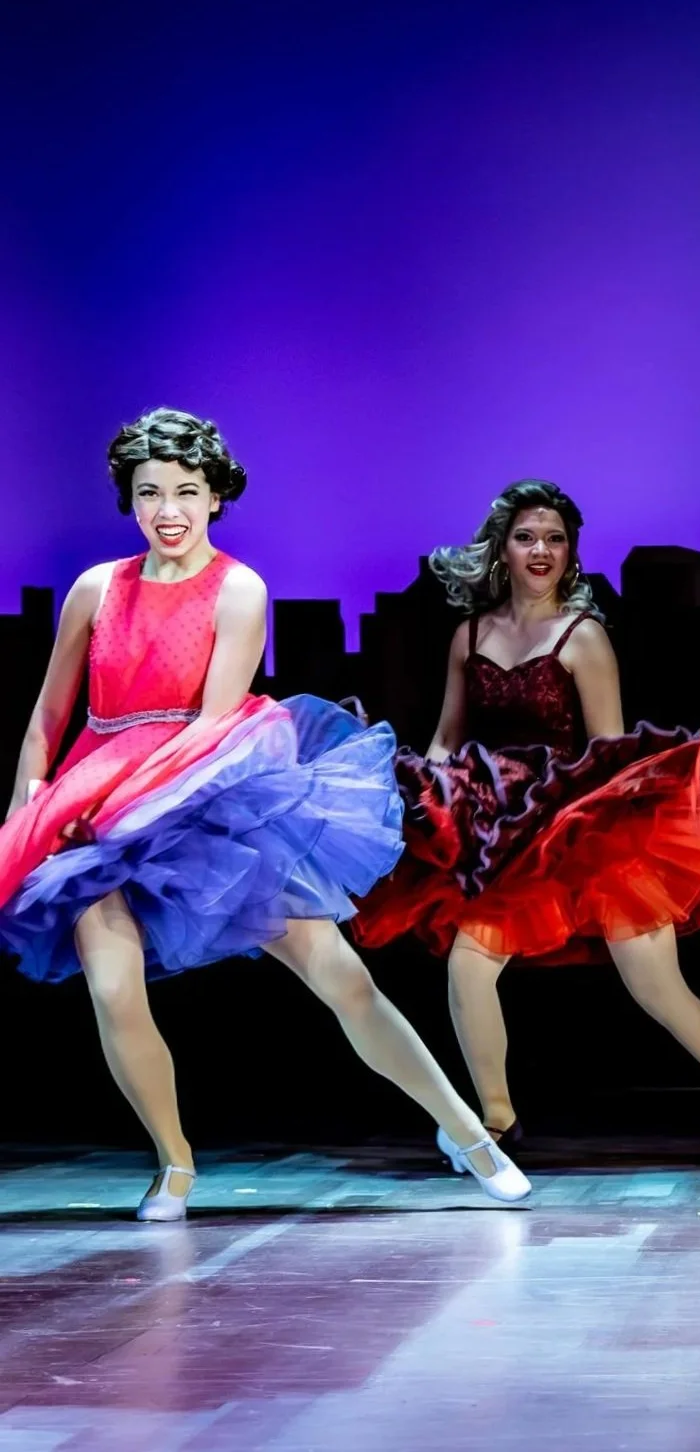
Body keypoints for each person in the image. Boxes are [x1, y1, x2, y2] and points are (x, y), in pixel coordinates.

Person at [0, 410, 528, 1219]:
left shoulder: (238, 588)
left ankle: (466, 1132)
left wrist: (115, 805)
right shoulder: (96, 588)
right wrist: (28, 813)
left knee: (341, 977)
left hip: (209, 797)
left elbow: (211, 726)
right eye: (149, 492)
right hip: (95, 801)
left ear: (215, 497)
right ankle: (174, 1163)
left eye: (185, 491)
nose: (167, 509)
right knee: (112, 987)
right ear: (129, 500)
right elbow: (45, 719)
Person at [350, 480, 700, 1163]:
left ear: (571, 553)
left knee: (655, 985)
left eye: (554, 539)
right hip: (497, 833)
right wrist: (425, 791)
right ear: (502, 548)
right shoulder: (470, 634)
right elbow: (446, 737)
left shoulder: (584, 638)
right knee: (468, 966)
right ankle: (496, 1120)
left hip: (580, 825)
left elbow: (609, 753)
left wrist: (580, 827)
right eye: (526, 537)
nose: (541, 551)